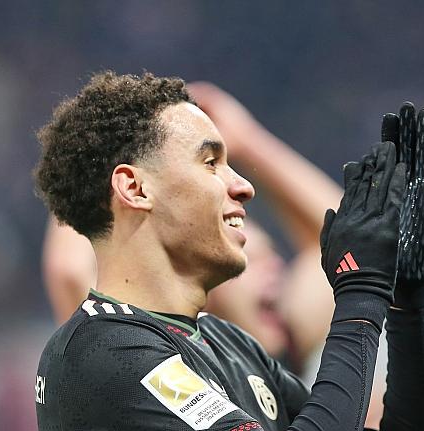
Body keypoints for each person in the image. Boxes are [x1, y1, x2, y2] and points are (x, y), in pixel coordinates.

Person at [33, 71, 424, 431]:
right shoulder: (102, 353)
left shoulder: (230, 345)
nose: (243, 186)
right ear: (134, 187)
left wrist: (406, 302)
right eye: (211, 162)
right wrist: (359, 291)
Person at [41, 82, 342, 375]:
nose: (274, 268)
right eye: (253, 257)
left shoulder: (277, 356)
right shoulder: (131, 348)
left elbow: (344, 240)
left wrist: (248, 141)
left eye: (273, 256)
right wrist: (97, 158)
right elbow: (70, 270)